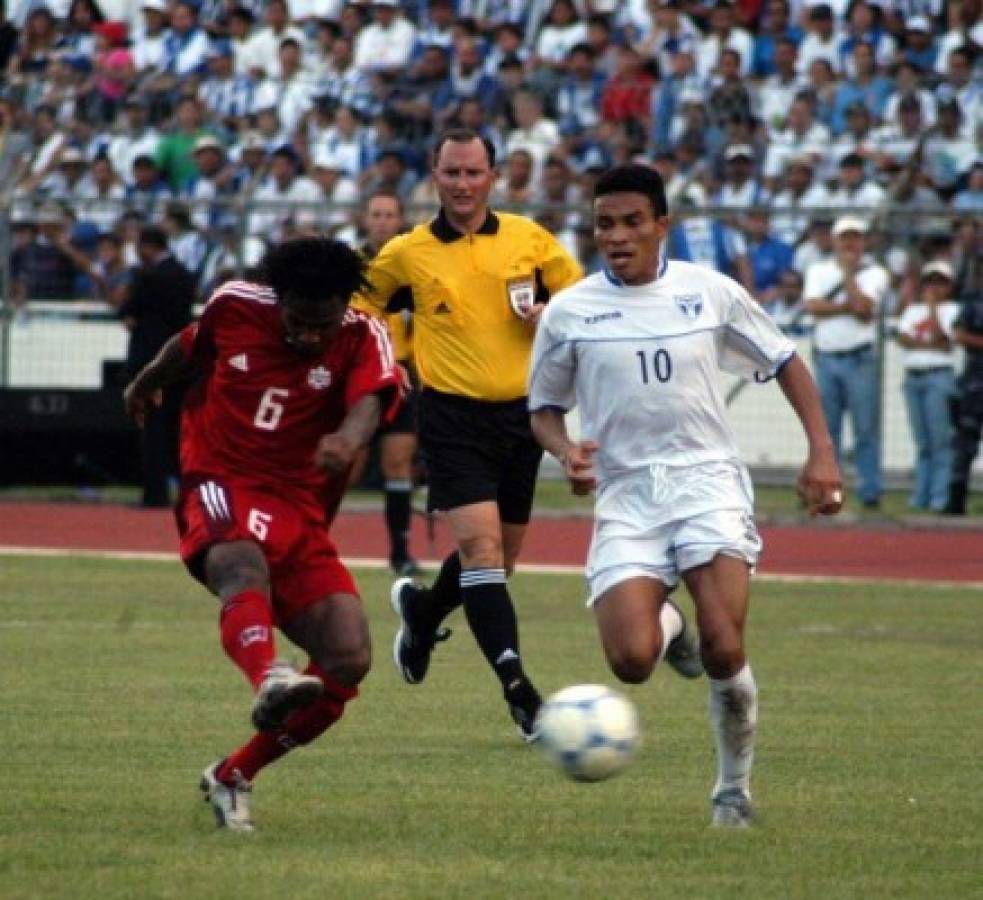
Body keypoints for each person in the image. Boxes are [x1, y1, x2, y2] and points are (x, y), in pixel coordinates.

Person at [527, 163, 842, 827]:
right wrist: (564, 452)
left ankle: (732, 792)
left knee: (725, 646)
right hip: (627, 494)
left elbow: (784, 359)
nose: (617, 236)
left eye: (631, 222)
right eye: (604, 224)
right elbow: (543, 408)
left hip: (706, 481)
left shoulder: (710, 293)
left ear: (661, 226)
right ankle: (670, 631)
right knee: (630, 660)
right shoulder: (569, 312)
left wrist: (820, 451)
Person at [122, 237, 401, 831]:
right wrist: (148, 380)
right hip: (220, 477)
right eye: (298, 322)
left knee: (348, 657)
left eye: (321, 325)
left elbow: (373, 399)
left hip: (299, 508)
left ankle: (233, 775)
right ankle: (268, 674)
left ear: (343, 307)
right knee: (241, 567)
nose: (309, 337)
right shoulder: (235, 305)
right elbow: (189, 346)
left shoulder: (364, 333)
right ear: (279, 300)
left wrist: (350, 440)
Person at [357, 128, 583, 739]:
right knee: (483, 554)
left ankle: (423, 612)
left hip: (525, 418)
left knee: (499, 562)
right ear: (435, 175)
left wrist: (551, 317)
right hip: (451, 418)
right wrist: (390, 368)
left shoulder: (528, 239)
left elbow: (586, 302)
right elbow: (363, 312)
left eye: (473, 173)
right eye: (451, 173)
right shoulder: (407, 252)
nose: (462, 184)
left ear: (493, 177)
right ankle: (520, 691)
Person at [803, 216, 889, 509]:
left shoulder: (875, 273)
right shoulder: (818, 269)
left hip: (860, 355)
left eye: (855, 238)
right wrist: (846, 305)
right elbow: (812, 306)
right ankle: (830, 492)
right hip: (827, 355)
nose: (850, 244)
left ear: (863, 242)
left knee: (865, 428)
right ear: (835, 241)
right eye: (845, 238)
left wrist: (849, 275)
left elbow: (865, 310)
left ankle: (870, 491)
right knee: (828, 431)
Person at [359, 189, 422, 575]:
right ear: (366, 219)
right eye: (376, 214)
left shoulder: (414, 264)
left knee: (398, 462)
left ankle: (399, 552)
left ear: (400, 220)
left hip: (402, 372)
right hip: (360, 373)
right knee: (345, 462)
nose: (382, 221)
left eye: (389, 214)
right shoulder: (350, 265)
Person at [119, 225, 196, 507]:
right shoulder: (185, 275)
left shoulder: (149, 276)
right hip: (182, 364)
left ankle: (155, 493)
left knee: (152, 430)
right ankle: (189, 491)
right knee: (180, 429)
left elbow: (127, 308)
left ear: (147, 247)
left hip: (151, 363)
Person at [895, 260, 961, 512]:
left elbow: (944, 341)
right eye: (931, 281)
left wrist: (933, 309)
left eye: (940, 282)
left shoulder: (954, 310)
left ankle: (939, 497)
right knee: (922, 442)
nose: (934, 287)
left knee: (940, 441)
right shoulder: (912, 311)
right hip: (914, 376)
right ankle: (921, 496)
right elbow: (903, 338)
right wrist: (928, 344)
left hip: (938, 375)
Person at [945, 276, 983, 516]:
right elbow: (957, 333)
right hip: (974, 381)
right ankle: (956, 500)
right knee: (964, 443)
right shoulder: (973, 300)